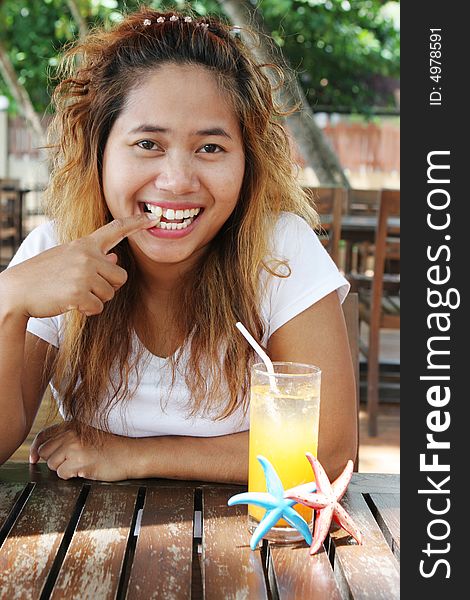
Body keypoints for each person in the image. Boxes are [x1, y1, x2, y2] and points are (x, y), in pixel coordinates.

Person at [0, 7, 356, 484]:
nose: (176, 181)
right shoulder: (55, 251)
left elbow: (328, 451)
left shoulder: (280, 251)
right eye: (148, 143)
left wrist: (133, 456)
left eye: (210, 148)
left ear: (247, 161)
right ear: (99, 151)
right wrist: (8, 301)